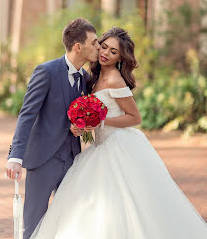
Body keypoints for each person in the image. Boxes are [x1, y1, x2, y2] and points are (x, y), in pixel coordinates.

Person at [29, 27, 207, 239]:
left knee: (121, 202)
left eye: (114, 52)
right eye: (104, 47)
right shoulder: (90, 79)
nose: (106, 53)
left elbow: (135, 117)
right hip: (96, 147)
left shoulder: (115, 79)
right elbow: (87, 116)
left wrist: (101, 122)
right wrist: (82, 126)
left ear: (121, 57)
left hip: (118, 145)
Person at [5, 18, 100, 239]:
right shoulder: (46, 71)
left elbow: (82, 113)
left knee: (69, 220)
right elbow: (27, 114)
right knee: (34, 224)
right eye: (94, 43)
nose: (98, 47)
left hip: (72, 159)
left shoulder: (85, 78)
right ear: (78, 46)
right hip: (43, 159)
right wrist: (15, 156)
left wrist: (80, 127)